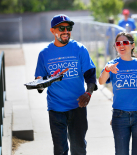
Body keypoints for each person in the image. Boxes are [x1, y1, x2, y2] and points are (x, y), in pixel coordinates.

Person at [35, 14, 97, 155]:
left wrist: (88, 93)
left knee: (78, 148)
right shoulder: (44, 54)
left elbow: (91, 76)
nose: (66, 31)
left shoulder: (80, 49)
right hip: (55, 108)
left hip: (77, 107)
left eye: (68, 28)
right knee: (60, 150)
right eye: (61, 28)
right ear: (52, 31)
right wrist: (40, 83)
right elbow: (40, 83)